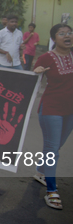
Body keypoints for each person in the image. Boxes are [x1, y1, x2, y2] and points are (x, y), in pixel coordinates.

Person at [33, 23, 73, 210]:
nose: (67, 36)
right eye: (62, 33)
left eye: (70, 33)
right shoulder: (46, 57)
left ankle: (41, 171)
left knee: (57, 145)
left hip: (70, 110)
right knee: (52, 149)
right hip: (51, 109)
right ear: (54, 38)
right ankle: (51, 190)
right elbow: (31, 80)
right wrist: (36, 72)